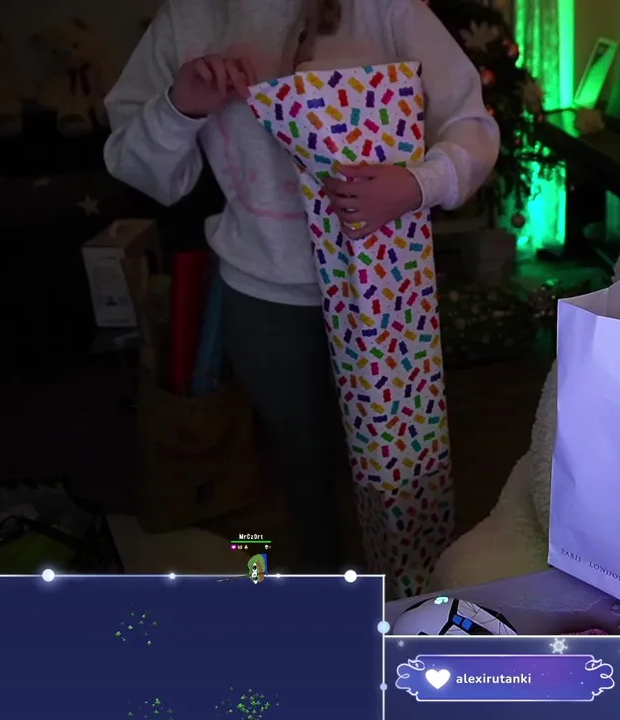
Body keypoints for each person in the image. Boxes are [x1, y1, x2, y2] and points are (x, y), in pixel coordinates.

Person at [103, 0, 499, 586]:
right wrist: (177, 108)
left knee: (403, 469)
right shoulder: (188, 21)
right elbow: (134, 164)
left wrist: (418, 184)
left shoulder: (386, 8)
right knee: (303, 470)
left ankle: (411, 601)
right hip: (263, 297)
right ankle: (326, 602)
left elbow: (471, 122)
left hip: (386, 290)